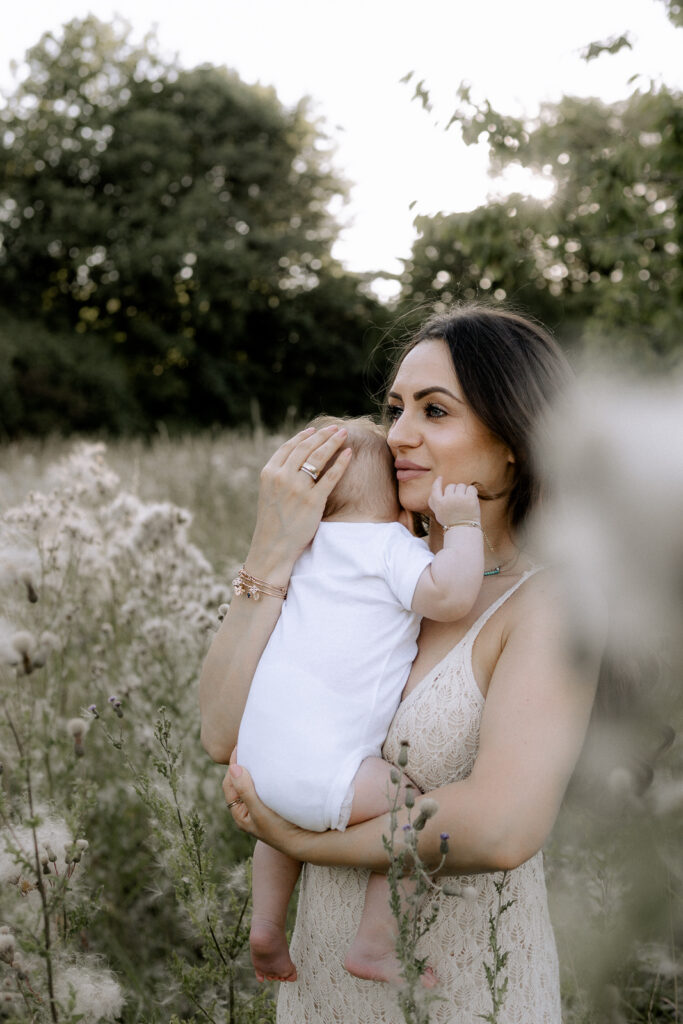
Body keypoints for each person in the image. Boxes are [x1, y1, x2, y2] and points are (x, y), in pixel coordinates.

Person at [199, 303, 605, 1024]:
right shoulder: (370, 574)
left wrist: (295, 837)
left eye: (435, 410)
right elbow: (223, 737)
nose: (398, 435)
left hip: (456, 989)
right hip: (317, 977)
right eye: (393, 408)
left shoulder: (551, 604)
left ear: (515, 438)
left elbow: (501, 828)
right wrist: (272, 549)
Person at [237, 414, 486, 985]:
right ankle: (377, 945)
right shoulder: (387, 548)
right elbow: (449, 596)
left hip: (259, 765)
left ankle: (267, 925)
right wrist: (464, 526)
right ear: (400, 507)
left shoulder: (304, 551)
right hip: (334, 776)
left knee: (282, 826)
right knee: (415, 812)